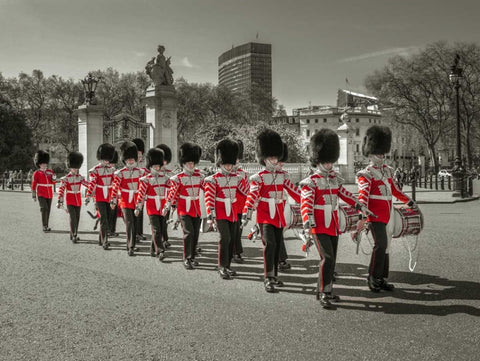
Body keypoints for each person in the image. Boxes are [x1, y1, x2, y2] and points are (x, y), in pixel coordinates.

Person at [300, 129, 369, 308]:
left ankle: (325, 290)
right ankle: (324, 292)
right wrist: (307, 221)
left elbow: (345, 194)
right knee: (327, 258)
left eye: (331, 161)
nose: (330, 164)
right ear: (318, 160)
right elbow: (306, 203)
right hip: (318, 225)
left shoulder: (334, 179)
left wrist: (359, 205)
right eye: (326, 161)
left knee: (331, 259)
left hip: (333, 225)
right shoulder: (311, 181)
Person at [356, 125, 418, 292]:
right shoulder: (366, 174)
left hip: (388, 214)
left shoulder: (388, 171)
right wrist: (363, 216)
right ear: (370, 154)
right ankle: (372, 277)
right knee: (380, 245)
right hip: (374, 216)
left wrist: (409, 202)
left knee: (387, 246)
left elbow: (396, 191)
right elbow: (363, 196)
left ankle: (382, 278)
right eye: (378, 153)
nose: (381, 156)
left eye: (382, 153)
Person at [242, 129, 301, 293]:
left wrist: (309, 202)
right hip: (265, 216)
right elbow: (252, 195)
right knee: (270, 244)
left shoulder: (284, 176)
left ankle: (274, 275)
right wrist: (247, 212)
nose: (274, 160)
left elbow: (295, 192)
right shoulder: (258, 177)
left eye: (276, 157)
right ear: (264, 158)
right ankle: (268, 277)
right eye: (271, 157)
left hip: (279, 216)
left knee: (276, 246)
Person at [204, 139, 248, 279]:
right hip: (221, 213)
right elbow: (209, 198)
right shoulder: (213, 179)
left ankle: (227, 266)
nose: (229, 167)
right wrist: (211, 216)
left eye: (231, 164)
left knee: (231, 240)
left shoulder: (237, 177)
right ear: (220, 163)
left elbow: (246, 191)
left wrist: (243, 179)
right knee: (224, 238)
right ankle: (221, 266)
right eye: (226, 164)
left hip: (234, 213)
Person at [163, 142, 204, 270]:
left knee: (195, 233)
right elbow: (172, 193)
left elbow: (208, 190)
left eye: (192, 163)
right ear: (183, 164)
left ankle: (192, 257)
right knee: (188, 232)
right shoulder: (178, 178)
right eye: (188, 163)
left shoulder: (200, 176)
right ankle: (186, 258)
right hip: (184, 208)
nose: (191, 165)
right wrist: (167, 206)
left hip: (196, 208)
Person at [135, 148, 169, 261]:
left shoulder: (165, 179)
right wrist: (138, 207)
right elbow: (141, 194)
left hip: (162, 207)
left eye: (158, 167)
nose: (157, 169)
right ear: (150, 167)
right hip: (152, 206)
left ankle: (152, 249)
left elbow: (172, 190)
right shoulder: (145, 180)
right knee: (156, 229)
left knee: (161, 228)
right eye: (154, 167)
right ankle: (160, 250)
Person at [110, 141, 142, 256]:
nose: (130, 161)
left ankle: (132, 243)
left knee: (135, 223)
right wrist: (113, 200)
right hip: (125, 201)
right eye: (128, 159)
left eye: (132, 159)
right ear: (124, 160)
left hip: (137, 201)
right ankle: (130, 247)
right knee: (129, 222)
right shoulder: (120, 173)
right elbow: (115, 188)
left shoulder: (141, 172)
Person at [85, 143, 116, 250]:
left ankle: (100, 239)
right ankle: (105, 241)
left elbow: (115, 183)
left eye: (108, 160)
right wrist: (88, 195)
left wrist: (115, 196)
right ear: (100, 158)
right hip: (99, 196)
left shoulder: (112, 170)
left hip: (109, 196)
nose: (106, 162)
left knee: (107, 218)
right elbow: (92, 183)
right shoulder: (95, 170)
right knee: (103, 218)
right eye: (104, 159)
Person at [56, 152, 88, 243]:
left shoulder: (80, 178)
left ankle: (73, 233)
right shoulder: (65, 178)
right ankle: (74, 235)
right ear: (70, 168)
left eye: (76, 168)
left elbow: (87, 185)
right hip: (70, 199)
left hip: (78, 200)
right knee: (72, 217)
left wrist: (96, 185)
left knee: (77, 218)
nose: (75, 170)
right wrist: (59, 200)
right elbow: (61, 189)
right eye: (74, 168)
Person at [232, 140, 248, 263]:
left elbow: (247, 190)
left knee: (239, 231)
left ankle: (235, 252)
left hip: (241, 206)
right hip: (230, 206)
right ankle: (235, 252)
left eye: (238, 159)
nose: (237, 161)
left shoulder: (243, 173)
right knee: (233, 231)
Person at [31, 150, 56, 232]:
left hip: (49, 193)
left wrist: (54, 178)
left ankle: (46, 225)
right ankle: (44, 226)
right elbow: (34, 184)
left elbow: (53, 182)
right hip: (41, 193)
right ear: (39, 164)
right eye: (42, 163)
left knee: (48, 210)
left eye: (45, 163)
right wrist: (34, 195)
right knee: (44, 208)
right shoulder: (36, 173)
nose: (44, 165)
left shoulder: (50, 172)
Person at [156, 144, 174, 248]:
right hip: (156, 200)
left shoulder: (170, 173)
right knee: (158, 222)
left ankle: (164, 239)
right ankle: (160, 240)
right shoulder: (154, 173)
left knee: (164, 221)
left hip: (166, 200)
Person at [132, 138, 147, 242]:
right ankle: (134, 234)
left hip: (141, 192)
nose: (139, 156)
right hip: (132, 192)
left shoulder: (144, 163)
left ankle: (139, 233)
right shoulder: (131, 163)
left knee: (140, 213)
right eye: (138, 154)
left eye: (141, 154)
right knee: (133, 214)